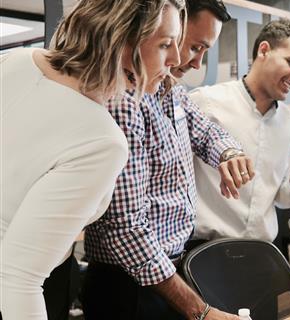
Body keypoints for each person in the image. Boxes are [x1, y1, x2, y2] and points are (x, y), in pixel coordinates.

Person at [0, 0, 184, 319]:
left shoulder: (19, 61)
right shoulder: (102, 141)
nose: (178, 58)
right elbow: (17, 279)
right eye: (166, 44)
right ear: (122, 38)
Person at [82, 1, 243, 319]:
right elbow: (125, 228)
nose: (193, 63)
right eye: (192, 47)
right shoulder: (123, 101)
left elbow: (207, 132)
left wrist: (230, 153)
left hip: (165, 270)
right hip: (129, 285)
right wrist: (200, 311)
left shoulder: (171, 90)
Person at [188, 19, 290, 243]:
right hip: (204, 249)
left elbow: (284, 199)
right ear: (264, 50)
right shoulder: (206, 103)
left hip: (262, 251)